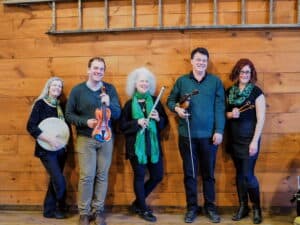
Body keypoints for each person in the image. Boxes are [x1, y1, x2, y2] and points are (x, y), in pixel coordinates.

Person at [167, 47, 225, 223]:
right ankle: (192, 207)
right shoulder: (182, 81)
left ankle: (210, 206)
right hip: (188, 136)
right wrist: (177, 109)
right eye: (198, 60)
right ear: (191, 61)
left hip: (209, 137)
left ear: (207, 63)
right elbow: (170, 100)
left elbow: (220, 107)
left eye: (204, 61)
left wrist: (219, 130)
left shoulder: (215, 82)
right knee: (190, 173)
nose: (201, 63)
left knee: (208, 174)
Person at [65, 57, 121, 225]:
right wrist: (85, 122)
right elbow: (69, 115)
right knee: (86, 176)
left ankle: (98, 211)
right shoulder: (77, 91)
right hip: (85, 138)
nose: (98, 71)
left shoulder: (109, 90)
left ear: (104, 72)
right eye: (95, 68)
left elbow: (117, 114)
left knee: (102, 176)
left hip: (106, 138)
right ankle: (84, 213)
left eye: (101, 69)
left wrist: (109, 104)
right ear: (88, 70)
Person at [120, 67, 168, 222]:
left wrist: (158, 118)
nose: (144, 84)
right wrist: (137, 123)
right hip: (136, 147)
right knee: (139, 176)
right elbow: (121, 126)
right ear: (135, 83)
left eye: (147, 81)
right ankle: (143, 208)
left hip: (152, 146)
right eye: (141, 81)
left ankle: (137, 204)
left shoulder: (155, 101)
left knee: (157, 176)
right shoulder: (128, 105)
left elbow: (164, 123)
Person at [226, 58, 265, 224]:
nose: (244, 74)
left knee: (248, 175)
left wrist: (254, 141)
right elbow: (225, 114)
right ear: (237, 72)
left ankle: (256, 207)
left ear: (252, 74)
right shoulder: (229, 92)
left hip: (250, 139)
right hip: (233, 138)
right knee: (240, 175)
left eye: (247, 72)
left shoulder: (256, 92)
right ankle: (243, 206)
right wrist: (230, 114)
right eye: (242, 71)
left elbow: (261, 119)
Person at [27, 77, 68, 219]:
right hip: (45, 150)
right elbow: (31, 127)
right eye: (54, 85)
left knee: (54, 180)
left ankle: (49, 211)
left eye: (59, 86)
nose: (57, 88)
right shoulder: (40, 104)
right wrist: (49, 139)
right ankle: (60, 206)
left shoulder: (61, 106)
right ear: (48, 87)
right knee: (59, 180)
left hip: (61, 150)